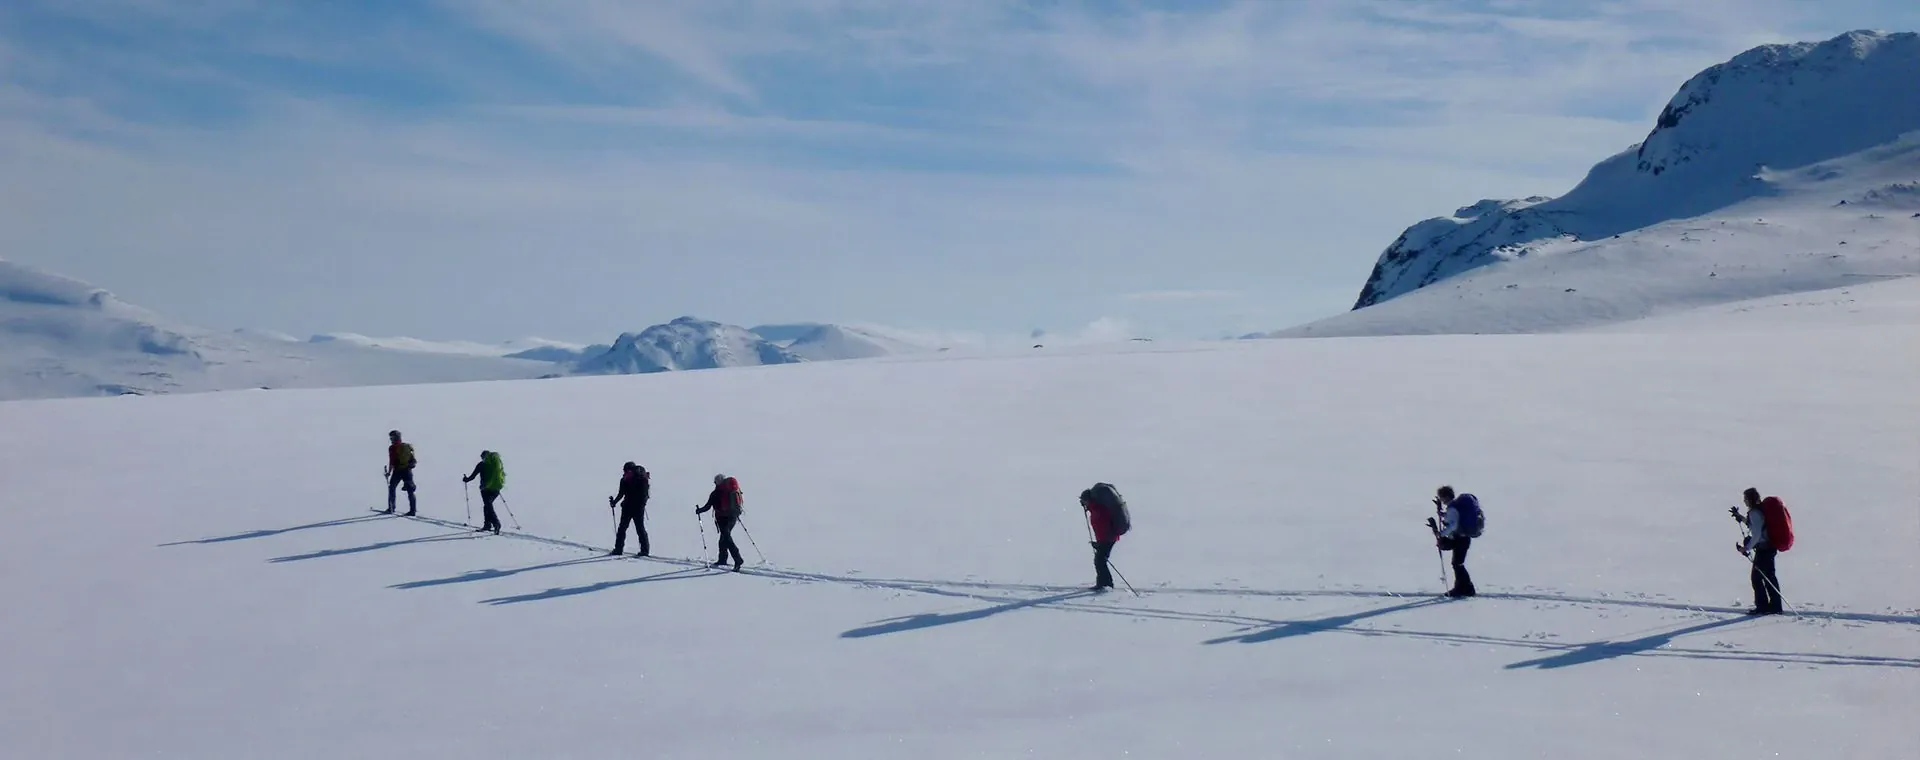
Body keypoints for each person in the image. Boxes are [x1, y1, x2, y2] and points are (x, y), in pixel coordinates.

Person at [1732, 487, 1783, 615]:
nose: (1744, 501)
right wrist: (1741, 518)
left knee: (1757, 578)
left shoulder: (1755, 513)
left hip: (1764, 549)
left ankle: (1763, 607)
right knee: (1769, 577)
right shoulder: (1760, 510)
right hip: (1769, 547)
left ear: (1750, 499)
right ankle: (1775, 606)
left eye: (1745, 499)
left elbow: (1756, 534)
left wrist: (1746, 548)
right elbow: (1756, 526)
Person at [1427, 486, 1479, 598]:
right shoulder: (1454, 507)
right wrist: (1442, 514)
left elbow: (1453, 525)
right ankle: (1463, 587)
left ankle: (1466, 588)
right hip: (1463, 538)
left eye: (1441, 497)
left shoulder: (1452, 509)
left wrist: (1440, 533)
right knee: (1457, 563)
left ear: (1446, 497)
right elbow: (1453, 519)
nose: (1441, 500)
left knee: (1457, 564)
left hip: (1460, 539)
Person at [1080, 485, 1124, 591]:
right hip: (1107, 538)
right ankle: (1105, 583)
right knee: (1100, 560)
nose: (1083, 503)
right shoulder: (1095, 508)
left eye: (1083, 501)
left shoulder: (1097, 509)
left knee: (1100, 561)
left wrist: (1100, 544)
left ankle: (1105, 584)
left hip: (1108, 538)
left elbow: (1103, 527)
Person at [695, 473, 744, 571]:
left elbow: (708, 506)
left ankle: (738, 559)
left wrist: (699, 510)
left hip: (722, 519)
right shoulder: (731, 490)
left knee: (727, 538)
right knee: (723, 539)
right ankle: (722, 559)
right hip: (733, 517)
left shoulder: (716, 493)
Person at [608, 462, 650, 556]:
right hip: (639, 507)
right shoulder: (641, 479)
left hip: (628, 507)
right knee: (640, 528)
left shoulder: (625, 479)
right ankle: (645, 550)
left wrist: (614, 502)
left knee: (622, 528)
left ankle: (618, 549)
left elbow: (621, 494)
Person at [462, 450, 505, 534]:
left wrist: (466, 479)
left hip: (485, 489)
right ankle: (487, 525)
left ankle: (496, 523)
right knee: (487, 505)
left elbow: (473, 476)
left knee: (488, 505)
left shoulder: (481, 465)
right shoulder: (495, 464)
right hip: (496, 488)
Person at [384, 430, 417, 516]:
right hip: (407, 470)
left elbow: (391, 461)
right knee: (410, 490)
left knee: (392, 487)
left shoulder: (392, 448)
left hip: (398, 471)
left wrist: (389, 472)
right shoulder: (406, 446)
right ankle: (413, 510)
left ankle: (391, 508)